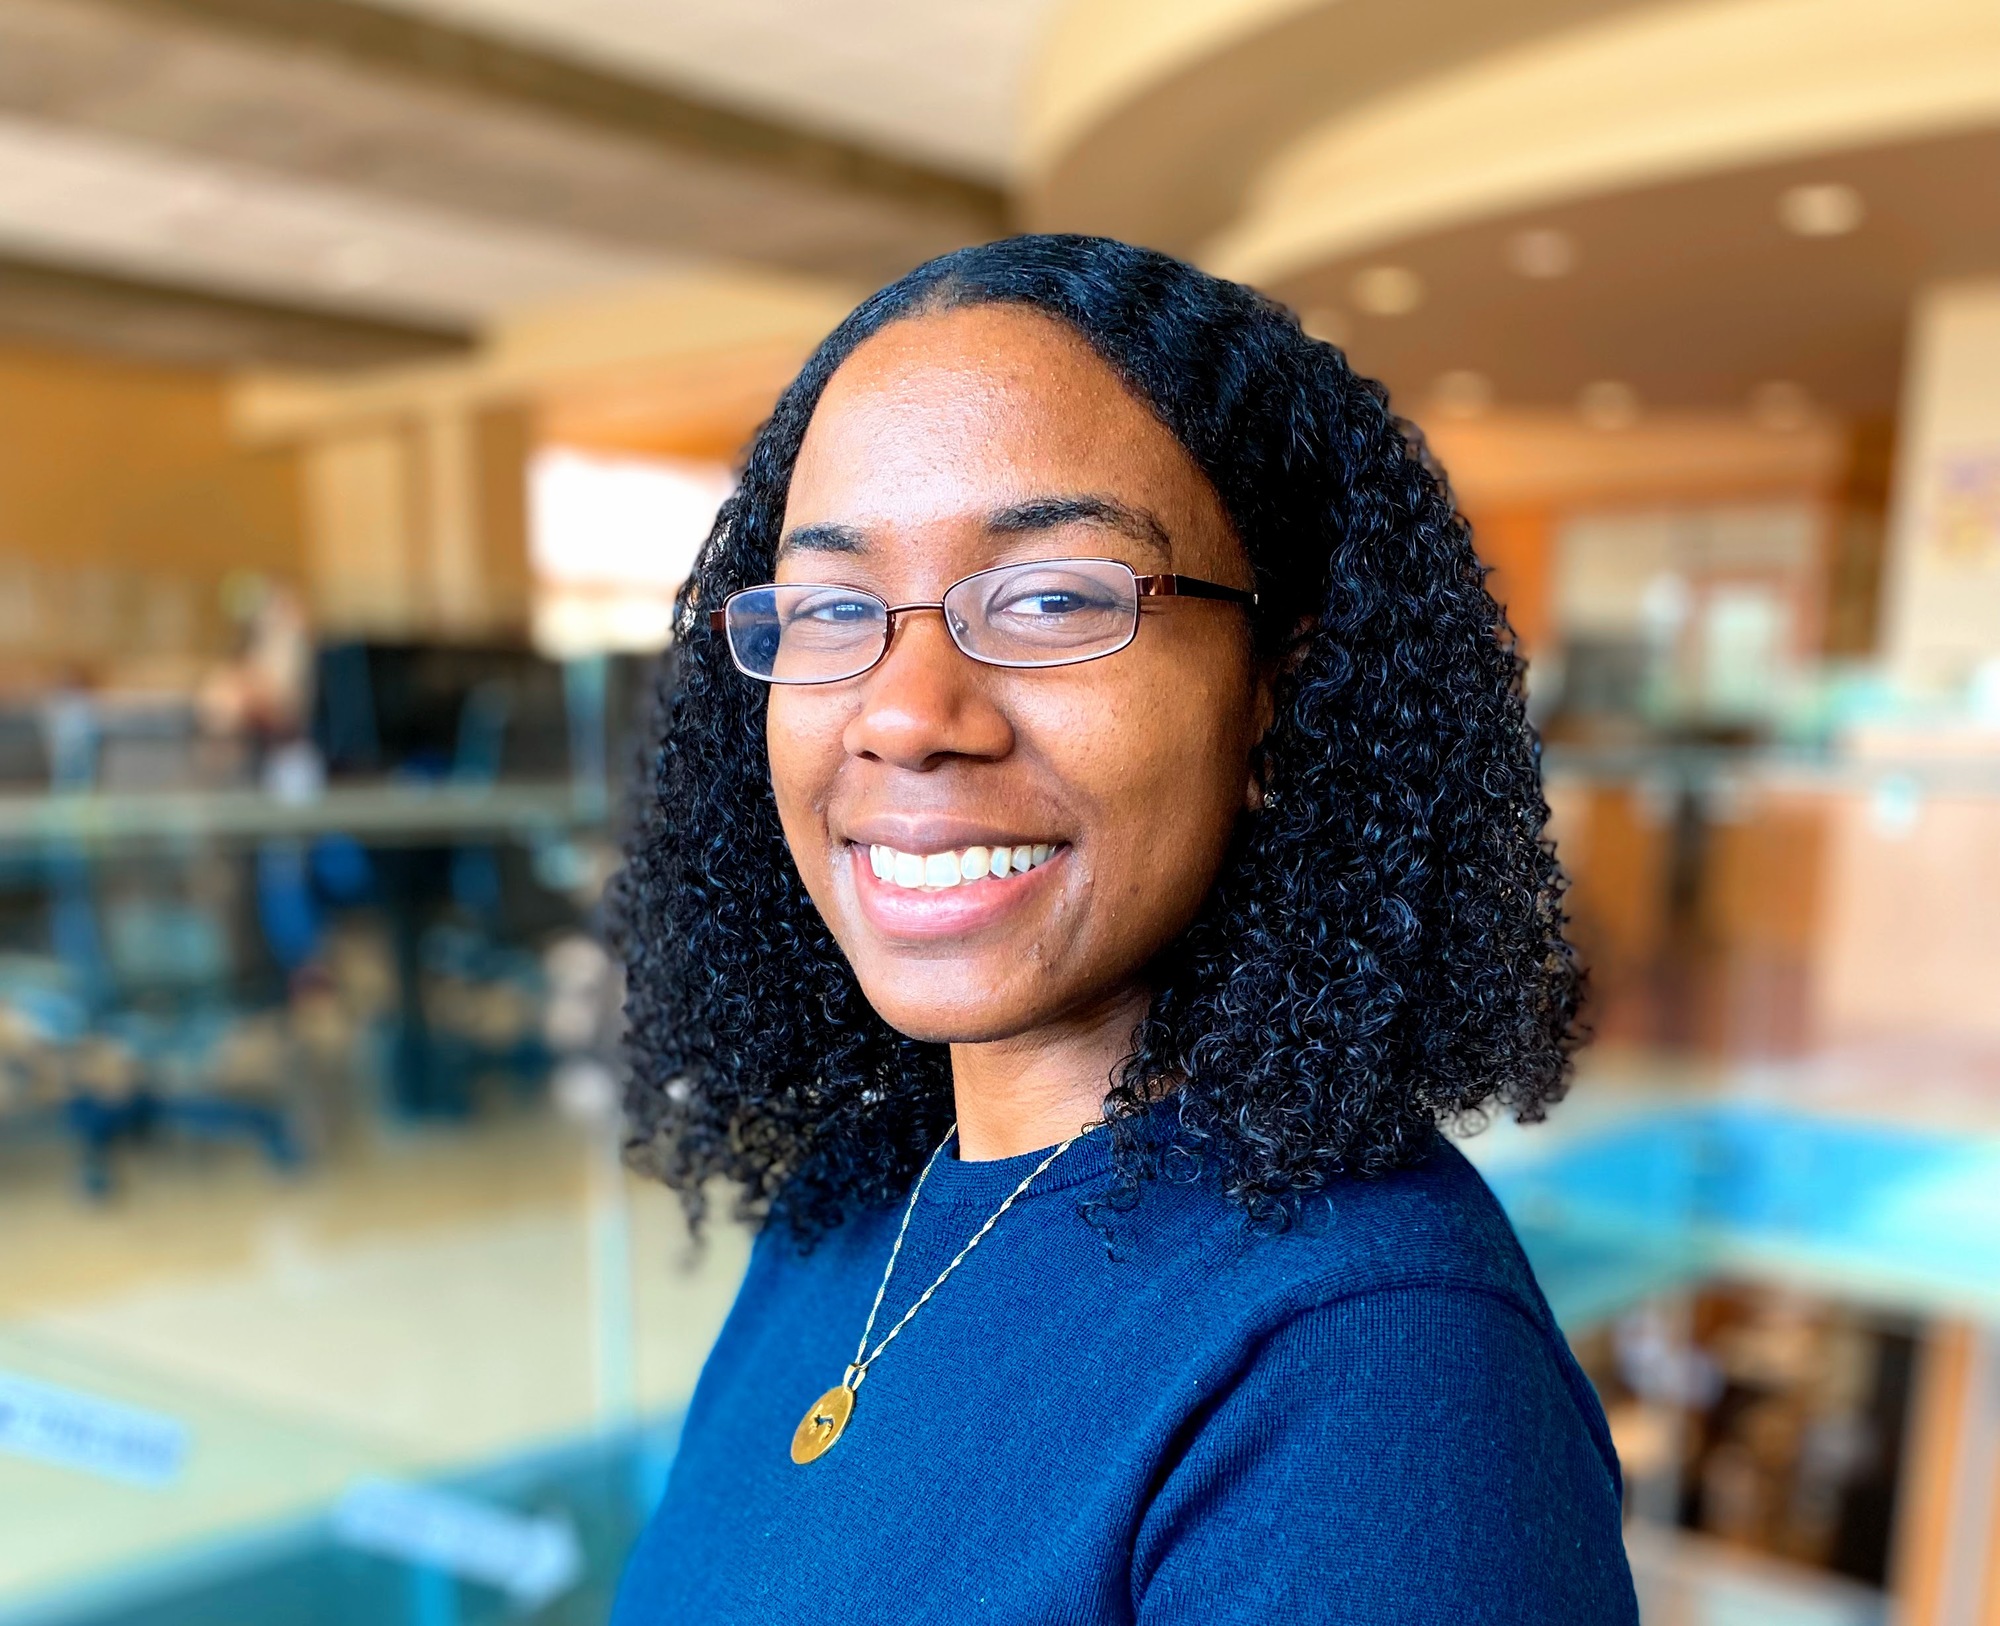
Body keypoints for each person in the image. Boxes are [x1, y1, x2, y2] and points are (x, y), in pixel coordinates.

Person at [610, 235, 1638, 1624]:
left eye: (1050, 596)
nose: (907, 712)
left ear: (1283, 686)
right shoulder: (853, 1204)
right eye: (835, 606)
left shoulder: (1374, 1365)